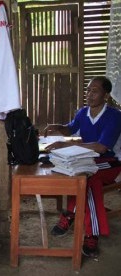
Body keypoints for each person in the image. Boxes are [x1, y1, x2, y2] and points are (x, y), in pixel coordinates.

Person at [44, 76, 121, 258]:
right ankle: (72, 213)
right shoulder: (82, 113)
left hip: (111, 162)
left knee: (88, 177)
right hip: (89, 159)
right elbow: (70, 129)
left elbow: (102, 147)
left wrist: (66, 146)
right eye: (88, 90)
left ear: (106, 95)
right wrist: (58, 127)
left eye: (95, 91)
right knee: (73, 171)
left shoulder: (115, 116)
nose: (89, 94)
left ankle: (90, 232)